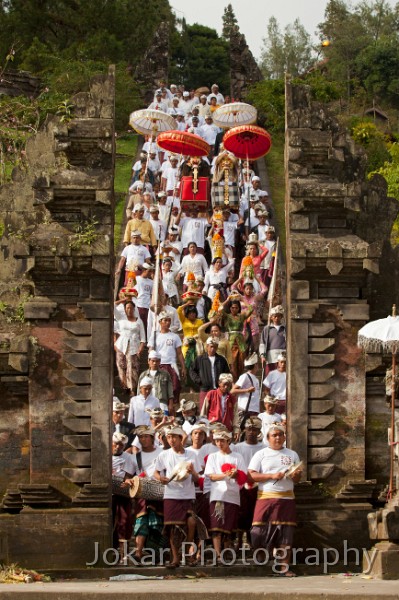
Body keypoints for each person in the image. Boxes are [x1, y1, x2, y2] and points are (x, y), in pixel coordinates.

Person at [248, 425, 302, 577]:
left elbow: (298, 478)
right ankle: (261, 554)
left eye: (280, 435)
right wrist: (271, 476)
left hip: (286, 498)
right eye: (274, 435)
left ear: (285, 437)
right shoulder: (261, 454)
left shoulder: (292, 454)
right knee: (257, 531)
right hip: (265, 497)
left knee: (287, 533)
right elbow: (251, 475)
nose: (277, 438)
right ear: (268, 438)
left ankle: (284, 567)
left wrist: (294, 475)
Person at [154, 426, 201, 567]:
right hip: (171, 494)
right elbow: (156, 472)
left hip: (187, 495)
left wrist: (192, 472)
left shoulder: (192, 455)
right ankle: (175, 558)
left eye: (174, 437)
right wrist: (160, 478)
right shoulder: (164, 455)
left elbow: (198, 479)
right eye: (169, 437)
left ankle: (188, 553)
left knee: (191, 523)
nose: (171, 440)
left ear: (181, 438)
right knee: (173, 527)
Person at [204, 429, 246, 562]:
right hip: (217, 495)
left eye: (222, 440)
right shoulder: (213, 457)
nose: (219, 443)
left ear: (228, 441)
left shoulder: (237, 457)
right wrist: (226, 475)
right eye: (217, 441)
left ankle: (227, 553)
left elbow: (243, 476)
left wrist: (235, 474)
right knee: (216, 527)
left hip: (232, 495)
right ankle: (217, 554)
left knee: (229, 527)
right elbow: (211, 476)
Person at [124, 425, 163, 562]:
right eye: (141, 437)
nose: (143, 439)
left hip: (160, 491)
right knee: (141, 521)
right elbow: (127, 476)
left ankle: (157, 553)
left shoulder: (162, 452)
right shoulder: (135, 457)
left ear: (152, 438)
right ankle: (138, 552)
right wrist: (129, 481)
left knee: (157, 523)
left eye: (146, 436)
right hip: (143, 493)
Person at [231, 416, 266, 548]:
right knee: (241, 512)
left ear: (259, 431)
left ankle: (252, 540)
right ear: (245, 430)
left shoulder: (263, 448)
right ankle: (238, 540)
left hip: (258, 484)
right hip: (241, 484)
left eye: (254, 429)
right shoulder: (237, 447)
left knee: (254, 512)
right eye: (249, 429)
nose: (251, 432)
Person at [148, 311, 186, 405]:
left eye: (169, 321)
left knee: (175, 387)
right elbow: (151, 351)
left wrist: (183, 367)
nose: (168, 323)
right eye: (165, 320)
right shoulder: (155, 336)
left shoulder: (175, 336)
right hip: (158, 365)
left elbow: (179, 353)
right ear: (160, 322)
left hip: (171, 365)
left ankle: (172, 406)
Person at [111, 432, 137, 563]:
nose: (117, 447)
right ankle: (110, 551)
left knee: (124, 521)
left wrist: (127, 482)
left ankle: (123, 554)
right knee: (109, 522)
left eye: (121, 445)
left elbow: (128, 477)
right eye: (115, 444)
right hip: (107, 494)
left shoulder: (129, 458)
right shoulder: (104, 456)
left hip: (122, 492)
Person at [114, 301, 146, 393]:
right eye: (127, 308)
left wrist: (141, 348)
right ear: (124, 309)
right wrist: (123, 299)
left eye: (131, 308)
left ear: (134, 309)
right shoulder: (121, 318)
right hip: (121, 345)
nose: (129, 310)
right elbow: (113, 306)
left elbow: (143, 338)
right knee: (121, 365)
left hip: (134, 346)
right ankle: (124, 387)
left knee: (132, 367)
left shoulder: (139, 321)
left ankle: (132, 388)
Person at [219, 295, 253, 381]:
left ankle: (241, 380)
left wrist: (242, 299)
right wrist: (227, 299)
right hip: (231, 342)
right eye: (232, 307)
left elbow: (251, 309)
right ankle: (234, 382)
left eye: (236, 308)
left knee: (242, 362)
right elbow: (219, 308)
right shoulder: (227, 316)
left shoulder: (241, 316)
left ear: (239, 308)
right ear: (230, 308)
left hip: (241, 342)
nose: (234, 309)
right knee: (232, 363)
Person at [190, 337, 230, 409]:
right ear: (207, 346)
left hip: (219, 391)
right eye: (211, 347)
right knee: (204, 412)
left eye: (215, 347)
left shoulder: (221, 360)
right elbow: (192, 370)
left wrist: (223, 384)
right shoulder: (200, 359)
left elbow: (227, 373)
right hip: (205, 390)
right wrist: (198, 380)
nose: (213, 349)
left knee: (219, 412)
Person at [200, 373, 240, 440]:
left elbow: (235, 415)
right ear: (219, 383)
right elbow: (203, 412)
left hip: (227, 429)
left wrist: (236, 429)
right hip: (213, 428)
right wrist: (203, 427)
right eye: (224, 384)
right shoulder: (211, 394)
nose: (226, 387)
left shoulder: (232, 398)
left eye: (228, 385)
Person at [138, 350, 175, 415]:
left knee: (163, 423)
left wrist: (171, 404)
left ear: (160, 362)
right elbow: (139, 392)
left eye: (157, 361)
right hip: (147, 404)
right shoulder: (143, 375)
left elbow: (170, 390)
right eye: (153, 361)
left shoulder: (165, 374)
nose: (155, 363)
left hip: (162, 403)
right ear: (148, 361)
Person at [177, 302, 203, 387]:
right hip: (186, 345)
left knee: (197, 363)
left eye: (194, 313)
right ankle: (189, 385)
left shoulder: (200, 321)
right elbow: (178, 310)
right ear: (187, 314)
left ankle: (197, 384)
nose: (192, 314)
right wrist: (187, 304)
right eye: (190, 313)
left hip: (197, 344)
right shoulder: (184, 320)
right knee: (187, 363)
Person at [231, 352, 261, 420]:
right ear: (255, 365)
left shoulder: (256, 379)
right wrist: (247, 390)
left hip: (254, 409)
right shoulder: (245, 376)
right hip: (245, 409)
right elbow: (233, 391)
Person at [260, 305, 286, 374]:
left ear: (281, 317)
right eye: (275, 316)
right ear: (271, 317)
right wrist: (263, 355)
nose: (276, 318)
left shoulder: (285, 329)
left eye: (278, 316)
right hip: (271, 357)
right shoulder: (267, 329)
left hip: (283, 357)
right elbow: (263, 343)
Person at [135, 262, 154, 335]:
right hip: (139, 304)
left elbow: (152, 294)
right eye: (149, 271)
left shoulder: (151, 282)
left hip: (148, 305)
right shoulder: (137, 279)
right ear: (144, 270)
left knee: (146, 324)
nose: (150, 273)